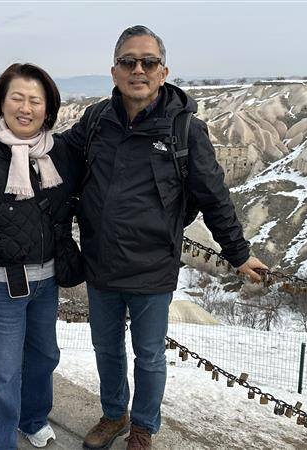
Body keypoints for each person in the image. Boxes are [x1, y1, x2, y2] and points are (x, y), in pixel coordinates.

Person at [60, 25, 268, 450]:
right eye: (128, 62)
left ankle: (142, 428)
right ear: (114, 71)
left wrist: (238, 254)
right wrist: (11, 147)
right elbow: (59, 154)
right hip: (100, 261)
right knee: (106, 348)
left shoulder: (185, 129)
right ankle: (114, 415)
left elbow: (214, 196)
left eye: (148, 62)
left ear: (163, 71)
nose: (138, 69)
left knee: (150, 355)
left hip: (153, 266)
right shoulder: (97, 120)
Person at [0, 63, 80, 450]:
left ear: (48, 108)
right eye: (17, 98)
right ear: (1, 104)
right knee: (2, 372)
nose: (26, 108)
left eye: (35, 100)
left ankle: (33, 419)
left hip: (46, 281)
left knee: (44, 357)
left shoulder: (57, 154)